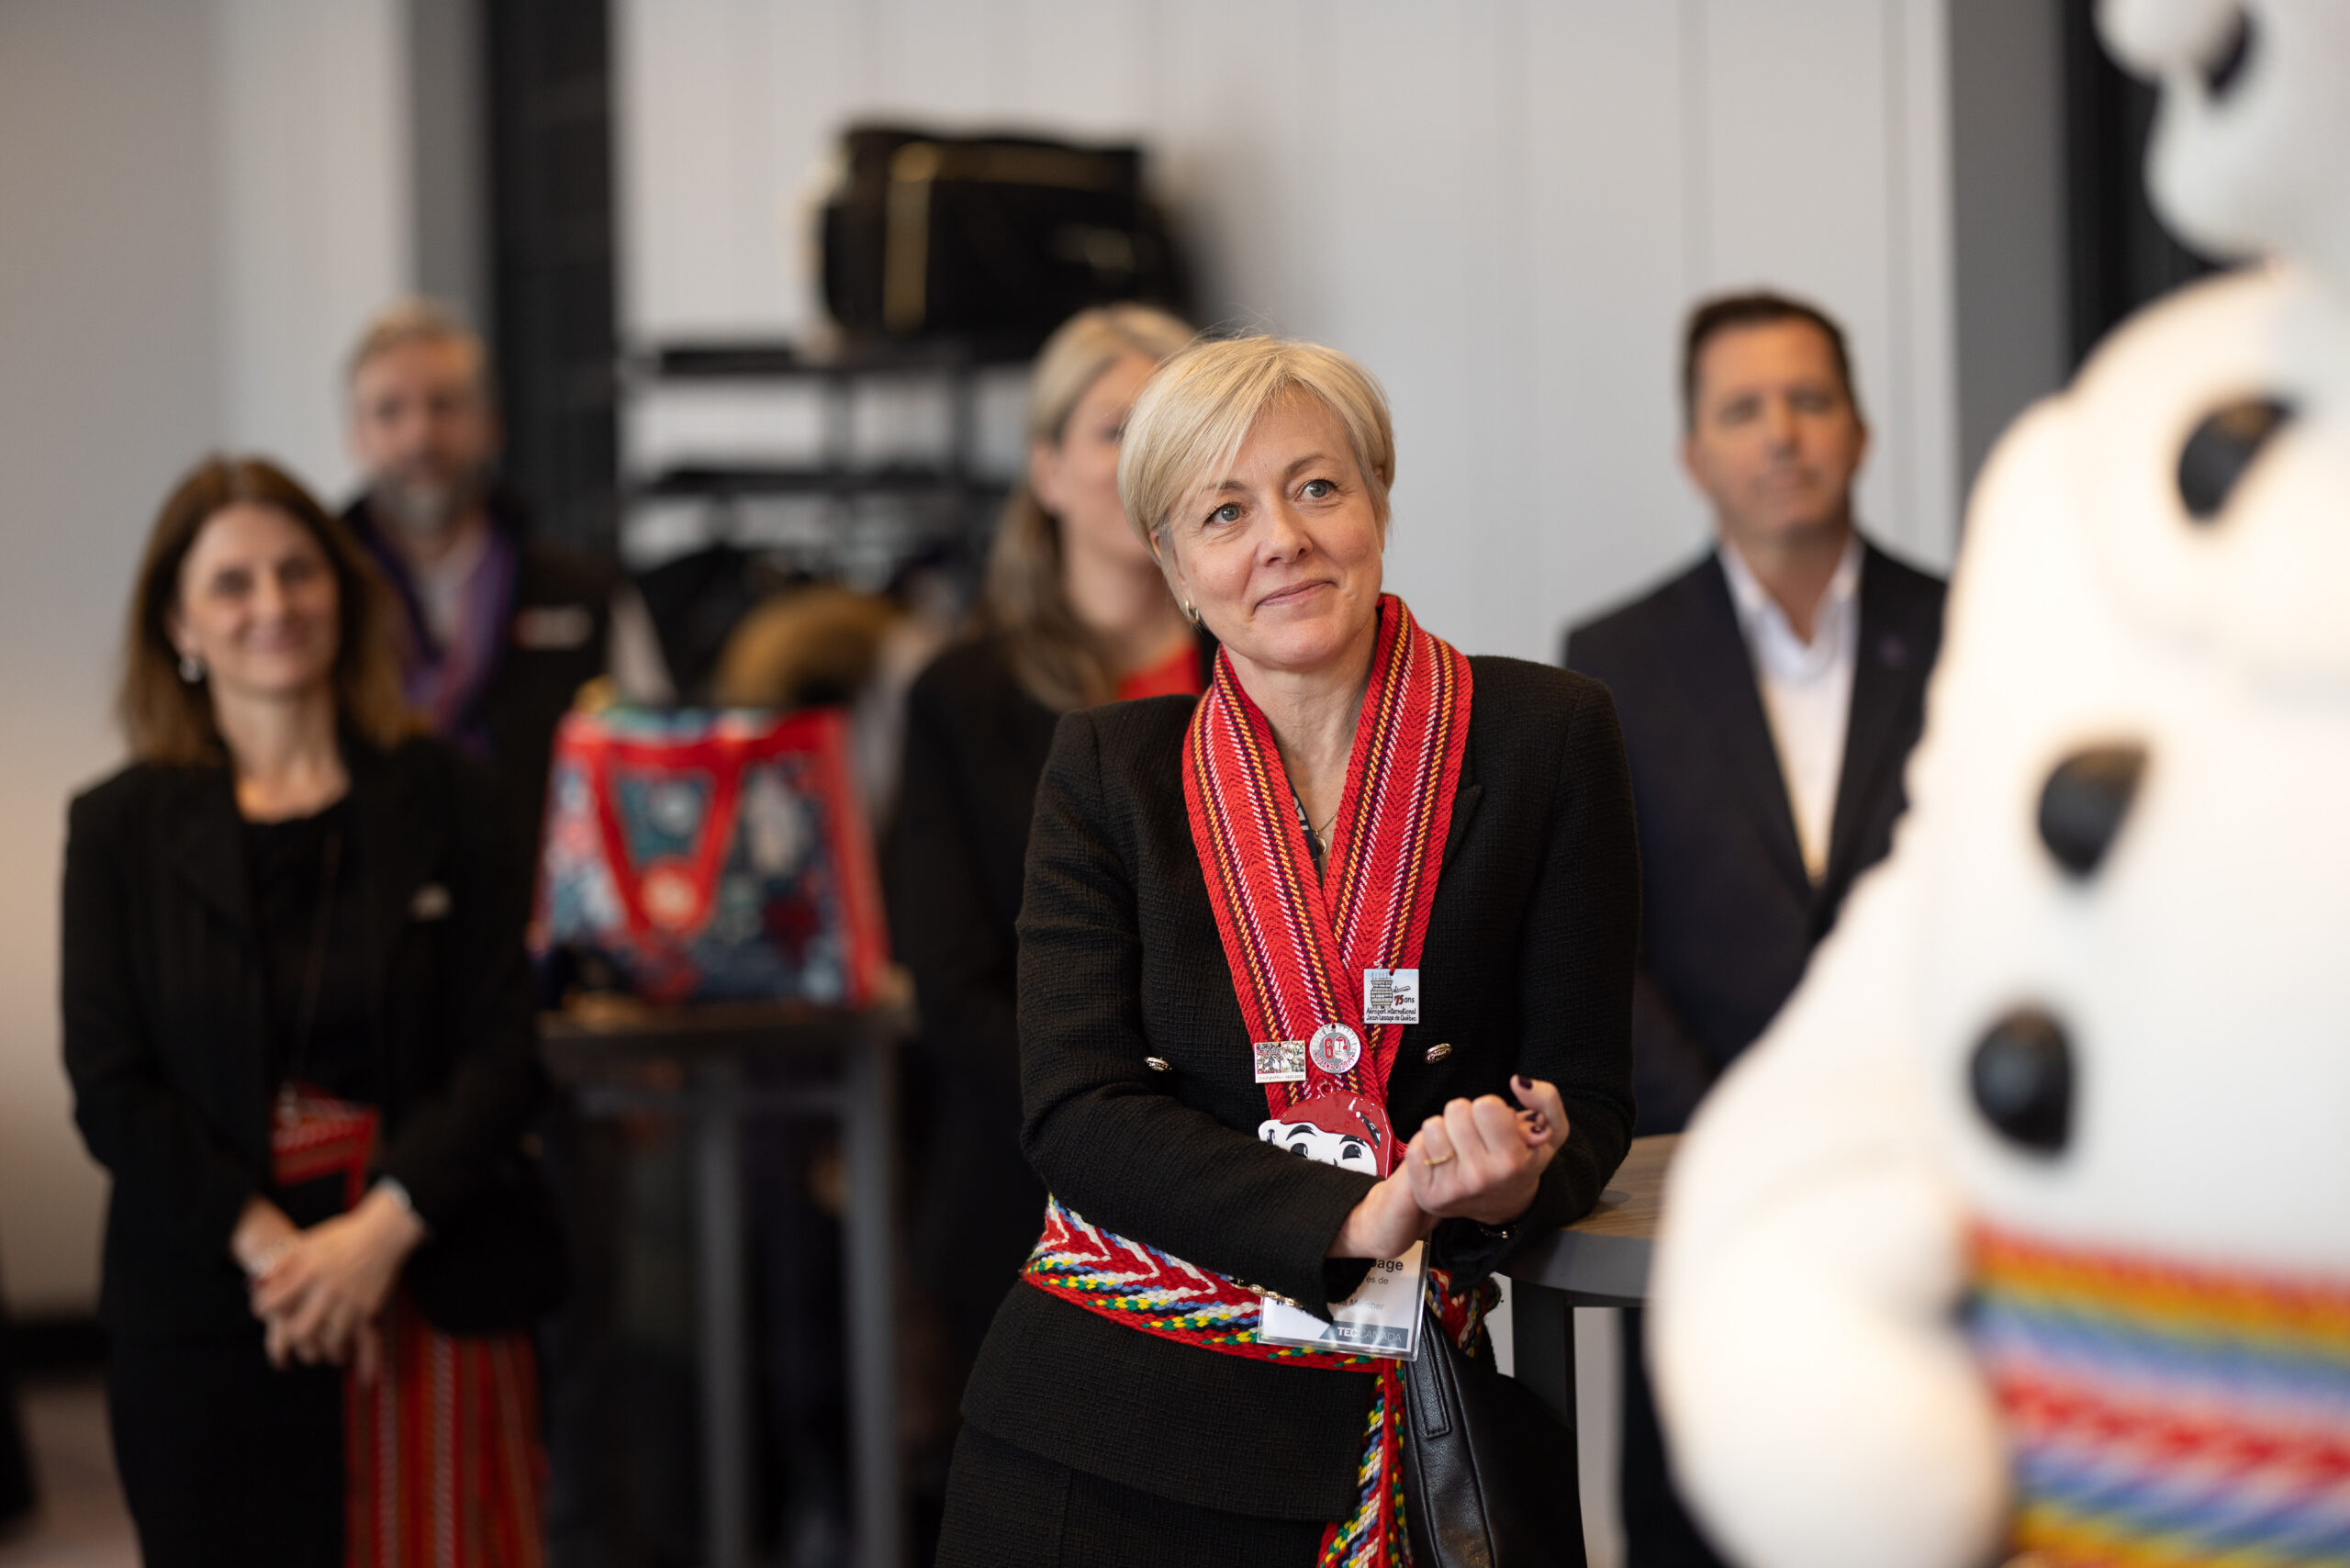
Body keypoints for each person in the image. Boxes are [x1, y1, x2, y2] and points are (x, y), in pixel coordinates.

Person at [935, 335, 1639, 1564]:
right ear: (1172, 563)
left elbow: (1588, 1093)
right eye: (1224, 511)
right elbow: (1077, 1108)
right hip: (1106, 1436)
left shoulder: (1548, 735)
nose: (1283, 539)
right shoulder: (1107, 772)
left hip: (1409, 1434)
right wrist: (1361, 1213)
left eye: (1317, 486)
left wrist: (1517, 1182)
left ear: (1377, 502)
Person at [62, 456, 561, 1566]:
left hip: (435, 1271)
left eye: (299, 571)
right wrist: (284, 1258)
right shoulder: (117, 827)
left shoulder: (455, 797)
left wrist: (376, 1236)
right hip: (211, 1308)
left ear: (344, 590)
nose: (274, 604)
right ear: (179, 625)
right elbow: (110, 1084)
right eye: (232, 582)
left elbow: (504, 1049)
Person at [1563, 290, 1946, 1567]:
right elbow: (1599, 938)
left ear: (1861, 429)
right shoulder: (1611, 659)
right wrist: (1732, 1132)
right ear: (1693, 453)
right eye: (1742, 408)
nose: (1780, 432)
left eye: (1809, 399)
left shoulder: (1973, 630)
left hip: (1927, 1173)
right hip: (1696, 1187)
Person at [888, 303, 1203, 1378]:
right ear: (1046, 469)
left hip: (1258, 1186)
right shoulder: (959, 698)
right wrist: (1133, 1127)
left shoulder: (1263, 670)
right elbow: (954, 986)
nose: (1144, 459)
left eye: (1169, 428)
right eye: (1116, 429)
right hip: (1030, 1194)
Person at [341, 298, 668, 857]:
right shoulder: (321, 602)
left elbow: (656, 768)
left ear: (491, 425)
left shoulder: (587, 594)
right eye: (390, 412)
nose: (420, 435)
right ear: (357, 437)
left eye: (444, 405)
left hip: (547, 899)